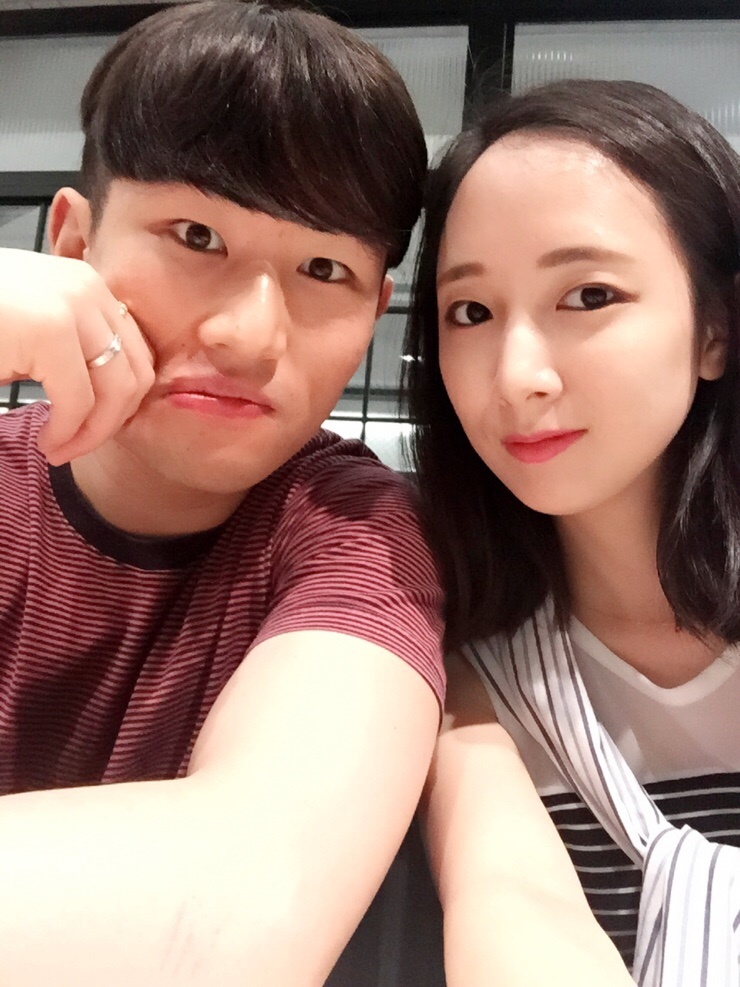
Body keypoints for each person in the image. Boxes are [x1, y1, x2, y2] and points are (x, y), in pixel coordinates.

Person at [0, 3, 446, 984]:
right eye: (196, 234)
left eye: (323, 268)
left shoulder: (354, 535)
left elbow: (236, 911)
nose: (250, 336)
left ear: (375, 310)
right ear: (71, 244)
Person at [405, 78, 740, 986]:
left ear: (717, 328)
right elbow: (511, 901)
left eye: (588, 295)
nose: (517, 375)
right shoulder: (462, 665)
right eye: (471, 312)